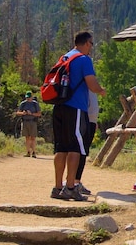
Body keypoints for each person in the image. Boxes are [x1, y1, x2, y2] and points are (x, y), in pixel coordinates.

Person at [51, 31, 106, 201]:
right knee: (76, 147)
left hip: (59, 106)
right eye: (91, 43)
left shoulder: (64, 58)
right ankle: (70, 187)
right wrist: (101, 91)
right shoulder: (83, 59)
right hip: (75, 107)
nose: (91, 47)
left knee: (61, 148)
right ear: (86, 43)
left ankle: (58, 187)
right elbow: (92, 84)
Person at [74, 89, 99, 195]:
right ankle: (74, 181)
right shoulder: (83, 86)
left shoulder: (90, 87)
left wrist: (94, 121)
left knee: (84, 152)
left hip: (90, 121)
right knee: (80, 152)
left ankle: (76, 181)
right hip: (84, 121)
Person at [15, 91, 41, 158]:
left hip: (33, 122)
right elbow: (18, 112)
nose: (28, 99)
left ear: (32, 97)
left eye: (29, 97)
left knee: (33, 137)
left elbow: (39, 114)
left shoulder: (35, 104)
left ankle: (34, 152)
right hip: (25, 121)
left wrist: (31, 114)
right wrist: (23, 113)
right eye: (27, 97)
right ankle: (28, 152)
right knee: (27, 137)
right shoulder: (23, 104)